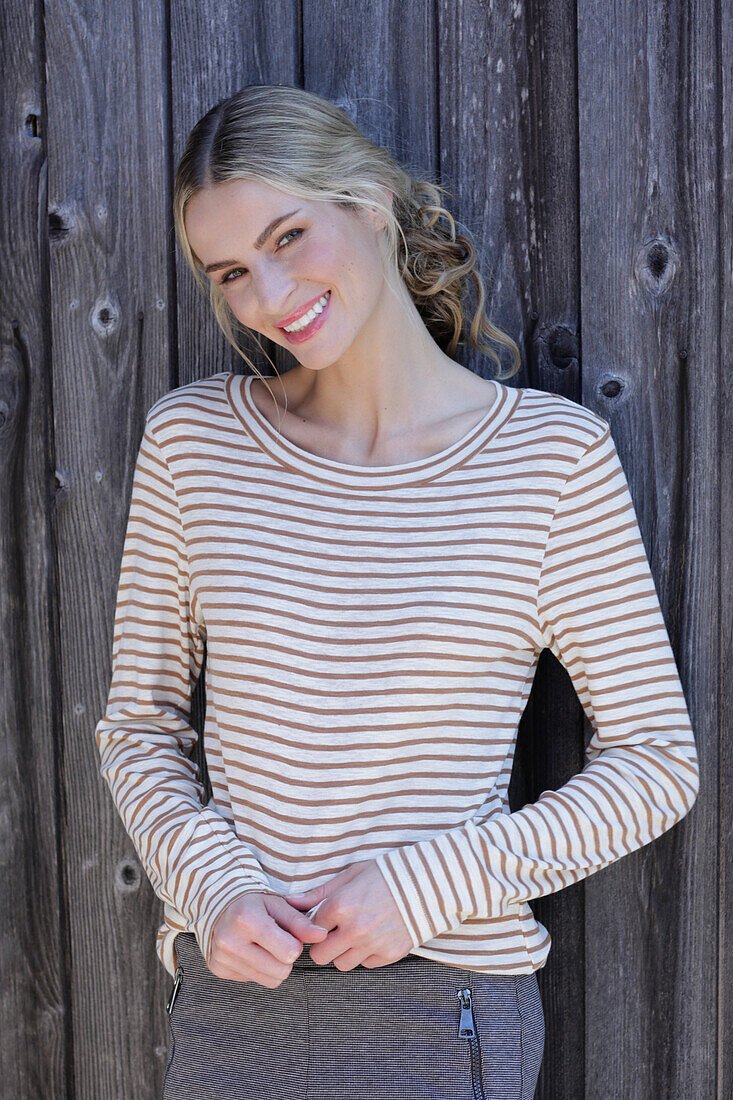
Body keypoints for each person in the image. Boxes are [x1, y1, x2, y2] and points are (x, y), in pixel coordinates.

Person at [94, 84, 700, 1100]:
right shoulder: (194, 443)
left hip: (439, 1003)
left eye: (289, 235)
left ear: (370, 202)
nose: (270, 293)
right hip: (232, 997)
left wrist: (424, 885)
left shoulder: (548, 463)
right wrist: (214, 885)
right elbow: (140, 724)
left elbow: (655, 763)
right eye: (232, 271)